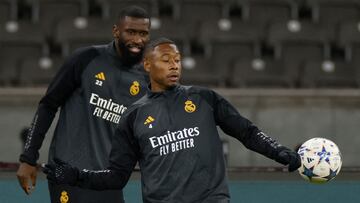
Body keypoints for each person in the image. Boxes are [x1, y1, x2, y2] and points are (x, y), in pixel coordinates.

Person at [43, 38, 301, 203]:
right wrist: (76, 175)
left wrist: (279, 152)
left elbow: (247, 132)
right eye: (166, 61)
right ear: (147, 65)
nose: (174, 66)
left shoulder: (204, 99)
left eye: (177, 60)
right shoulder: (133, 117)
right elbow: (116, 177)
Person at [16, 6, 151, 203]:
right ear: (116, 31)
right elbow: (48, 105)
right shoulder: (86, 59)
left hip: (106, 180)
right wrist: (28, 157)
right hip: (67, 173)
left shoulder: (145, 79)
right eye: (131, 32)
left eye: (143, 34)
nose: (138, 40)